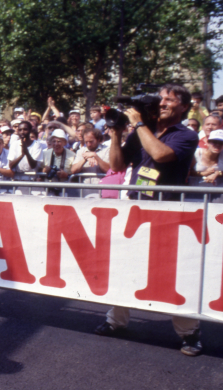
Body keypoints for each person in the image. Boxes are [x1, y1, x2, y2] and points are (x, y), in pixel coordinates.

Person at [95, 84, 202, 356]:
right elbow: (118, 166)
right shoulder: (143, 130)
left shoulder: (186, 135)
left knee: (173, 275)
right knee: (125, 266)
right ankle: (115, 321)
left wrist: (139, 124)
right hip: (138, 208)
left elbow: (161, 155)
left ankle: (190, 334)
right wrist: (118, 135)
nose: (162, 103)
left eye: (169, 100)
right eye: (161, 99)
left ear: (184, 107)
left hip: (169, 212)